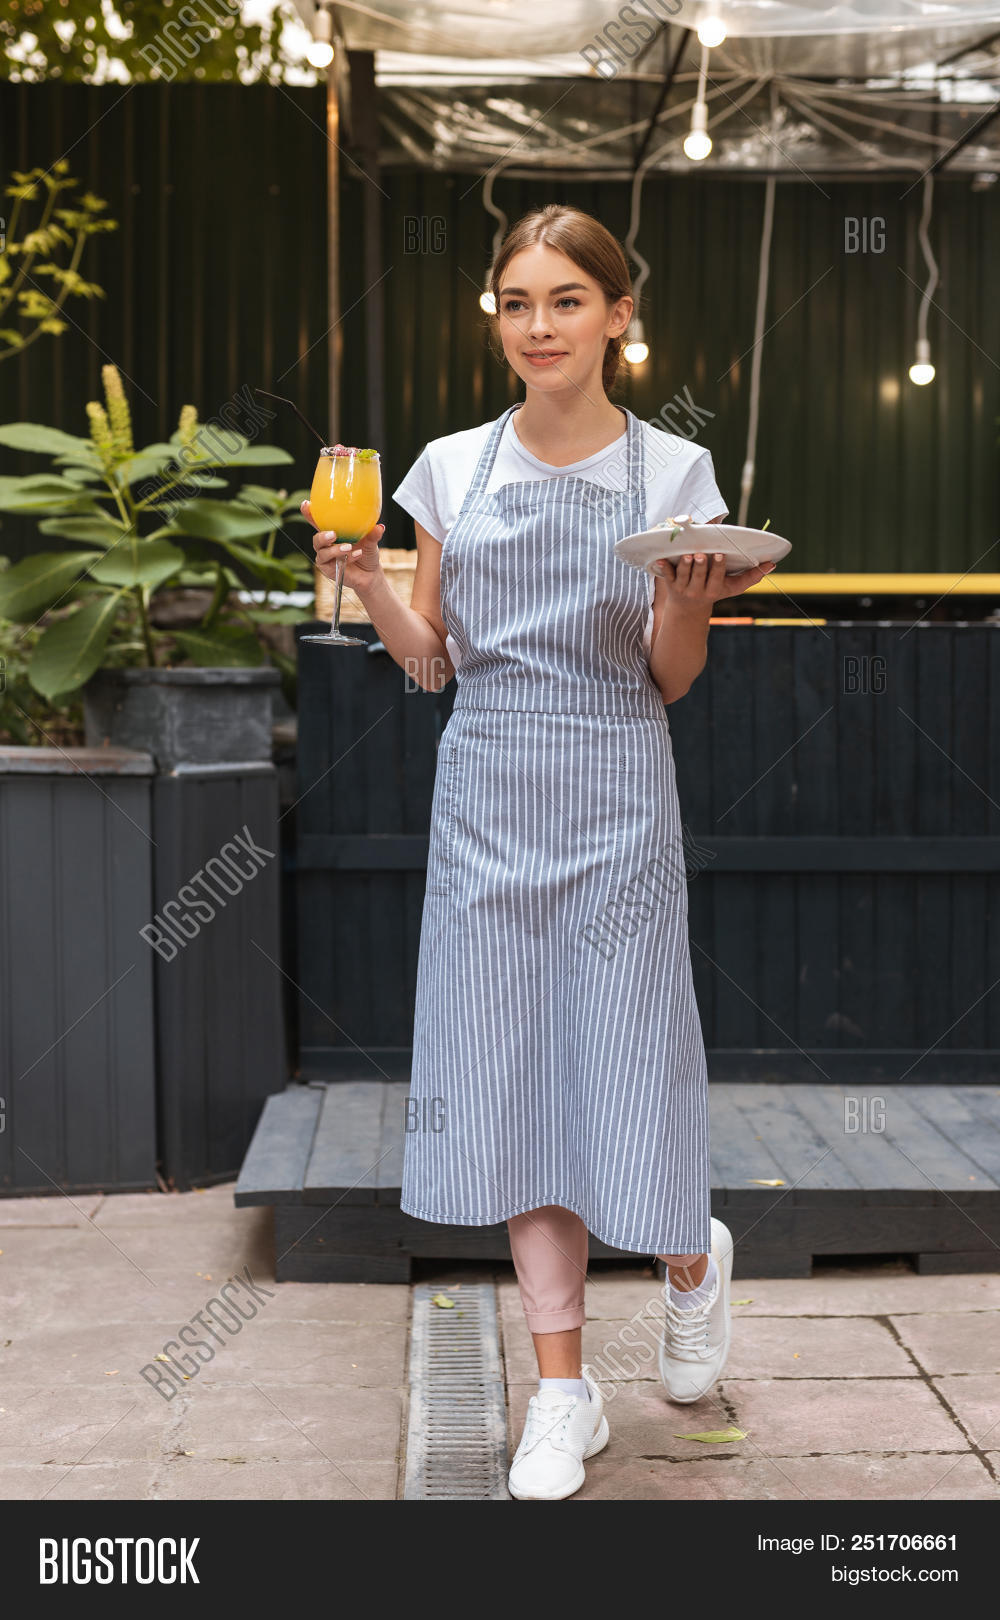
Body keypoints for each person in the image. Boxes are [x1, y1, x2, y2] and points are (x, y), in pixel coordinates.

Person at [305, 204, 777, 1501]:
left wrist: (685, 607)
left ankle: (689, 1258)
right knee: (511, 1078)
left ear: (618, 315)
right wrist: (371, 581)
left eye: (566, 300)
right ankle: (562, 1393)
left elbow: (669, 679)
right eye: (517, 302)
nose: (538, 326)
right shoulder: (450, 467)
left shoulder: (675, 473)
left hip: (619, 786)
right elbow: (433, 663)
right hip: (488, 794)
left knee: (631, 1059)